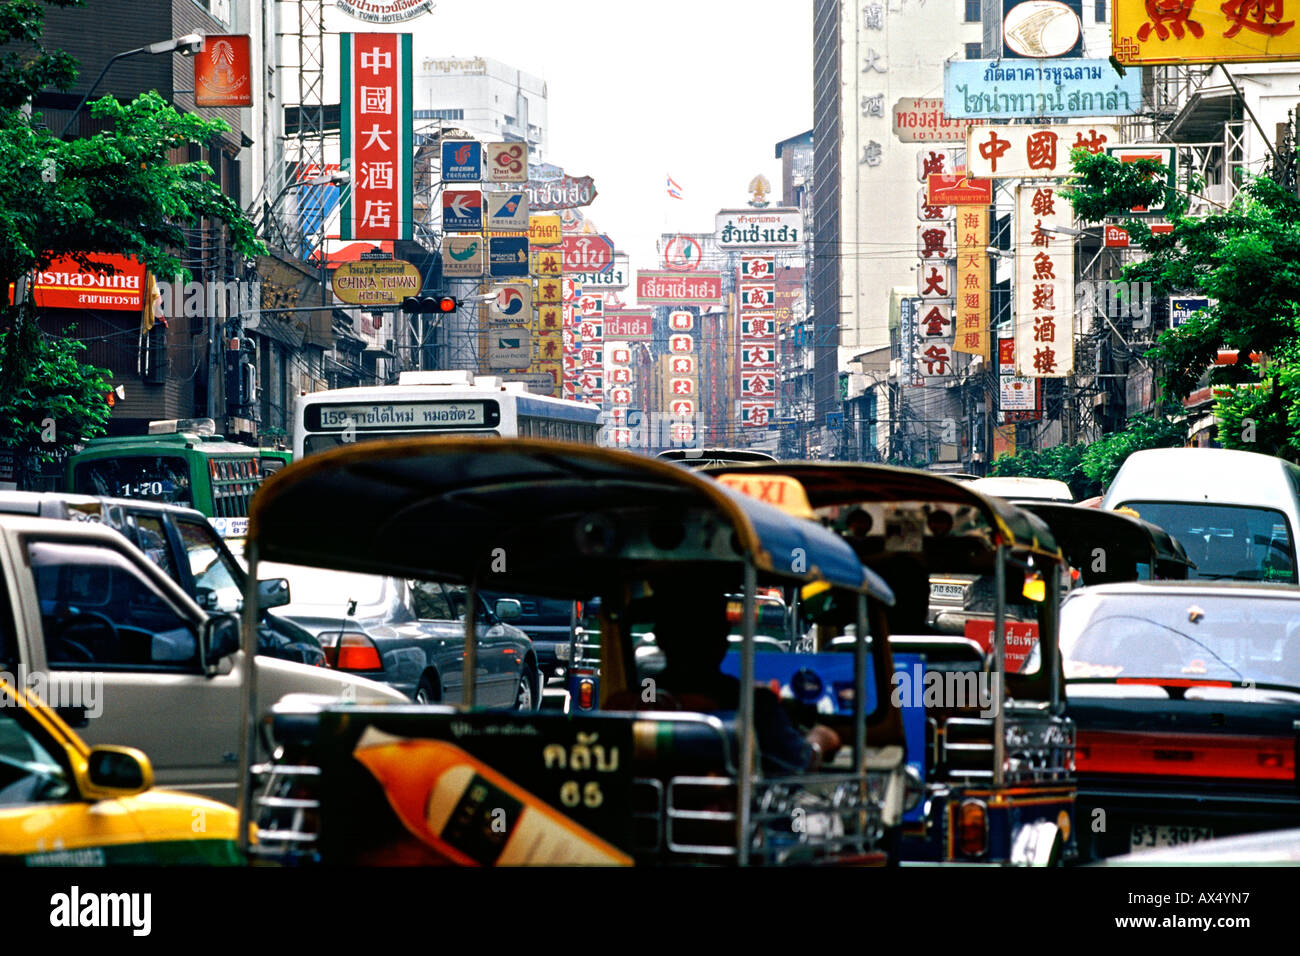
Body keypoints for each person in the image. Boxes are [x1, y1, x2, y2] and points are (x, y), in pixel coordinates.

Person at [647, 591, 841, 773]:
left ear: (660, 638)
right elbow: (799, 761)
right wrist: (821, 739)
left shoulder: (639, 702)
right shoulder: (754, 705)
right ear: (722, 641)